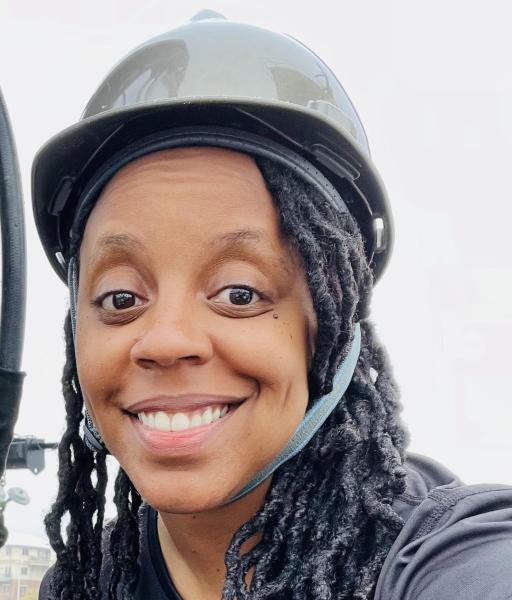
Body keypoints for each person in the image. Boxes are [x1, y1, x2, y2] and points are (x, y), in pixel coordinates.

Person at [30, 13, 512, 599]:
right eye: (121, 298)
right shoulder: (90, 581)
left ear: (333, 328)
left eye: (240, 293)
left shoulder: (448, 558)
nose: (165, 340)